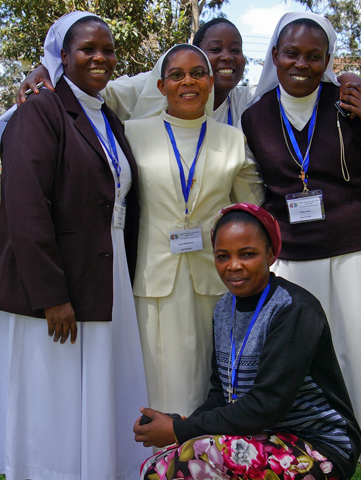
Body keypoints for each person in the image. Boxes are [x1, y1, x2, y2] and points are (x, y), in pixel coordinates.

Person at [239, 11, 361, 469]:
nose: (302, 64)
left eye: (315, 56)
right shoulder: (253, 116)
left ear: (327, 60)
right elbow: (255, 194)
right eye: (292, 54)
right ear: (275, 56)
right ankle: (309, 453)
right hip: (294, 259)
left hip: (358, 250)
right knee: (298, 362)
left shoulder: (348, 104)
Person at [0, 11, 149, 480]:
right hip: (53, 278)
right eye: (87, 48)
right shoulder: (39, 111)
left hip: (104, 267)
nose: (100, 57)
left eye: (108, 49)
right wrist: (52, 295)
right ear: (62, 56)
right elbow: (26, 207)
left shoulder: (105, 114)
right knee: (51, 392)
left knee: (93, 386)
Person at [134, 203, 361, 480]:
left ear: (270, 254)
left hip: (319, 448)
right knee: (155, 466)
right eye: (222, 256)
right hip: (259, 436)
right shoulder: (223, 308)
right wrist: (184, 424)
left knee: (190, 460)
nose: (233, 266)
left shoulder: (293, 309)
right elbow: (220, 392)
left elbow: (267, 405)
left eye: (247, 254)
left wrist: (180, 431)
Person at [123, 44, 264, 417]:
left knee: (210, 380)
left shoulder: (233, 140)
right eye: (177, 75)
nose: (189, 81)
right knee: (155, 381)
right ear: (161, 85)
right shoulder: (132, 135)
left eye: (198, 73)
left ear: (211, 82)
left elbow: (254, 207)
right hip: (153, 282)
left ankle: (202, 460)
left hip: (214, 282)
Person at [11, 17, 359, 125]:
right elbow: (89, 87)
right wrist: (50, 64)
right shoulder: (146, 88)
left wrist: (347, 77)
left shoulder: (247, 102)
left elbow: (299, 79)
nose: (227, 58)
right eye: (215, 49)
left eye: (235, 51)